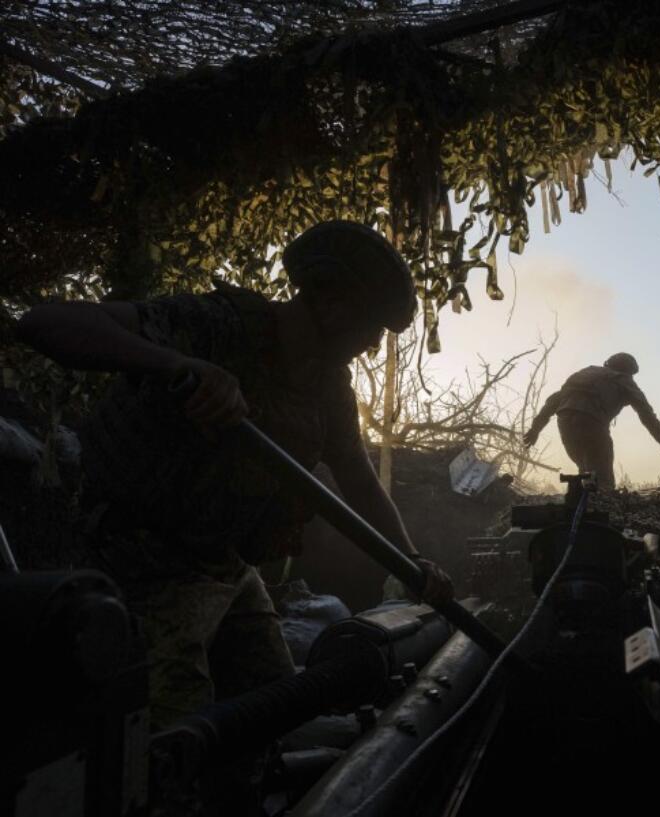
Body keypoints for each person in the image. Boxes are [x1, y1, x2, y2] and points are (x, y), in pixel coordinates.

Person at [15, 220, 454, 734]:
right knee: (178, 738)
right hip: (141, 564)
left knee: (272, 709)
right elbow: (43, 323)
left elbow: (357, 478)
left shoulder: (328, 387)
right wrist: (177, 365)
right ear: (332, 302)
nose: (372, 344)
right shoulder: (215, 325)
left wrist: (412, 560)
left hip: (226, 567)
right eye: (370, 327)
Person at [523, 353, 660, 490]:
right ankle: (601, 520)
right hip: (592, 425)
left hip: (565, 424)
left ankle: (580, 517)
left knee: (586, 472)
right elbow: (648, 417)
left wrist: (535, 429)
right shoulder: (624, 380)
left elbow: (553, 402)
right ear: (629, 371)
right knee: (603, 481)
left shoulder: (584, 373)